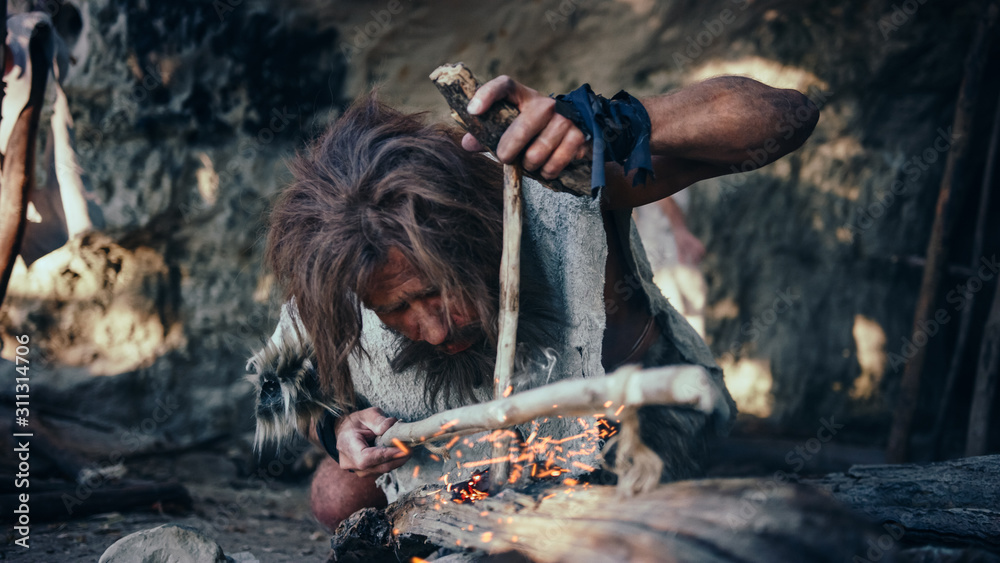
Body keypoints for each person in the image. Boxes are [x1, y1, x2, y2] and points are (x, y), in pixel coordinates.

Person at [263, 74, 818, 530]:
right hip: (475, 452)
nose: (431, 330)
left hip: (621, 438)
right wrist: (335, 431)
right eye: (394, 310)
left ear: (476, 234)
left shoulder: (553, 196)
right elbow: (280, 381)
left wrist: (604, 122)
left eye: (436, 292)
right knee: (338, 496)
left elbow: (785, 115)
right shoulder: (341, 261)